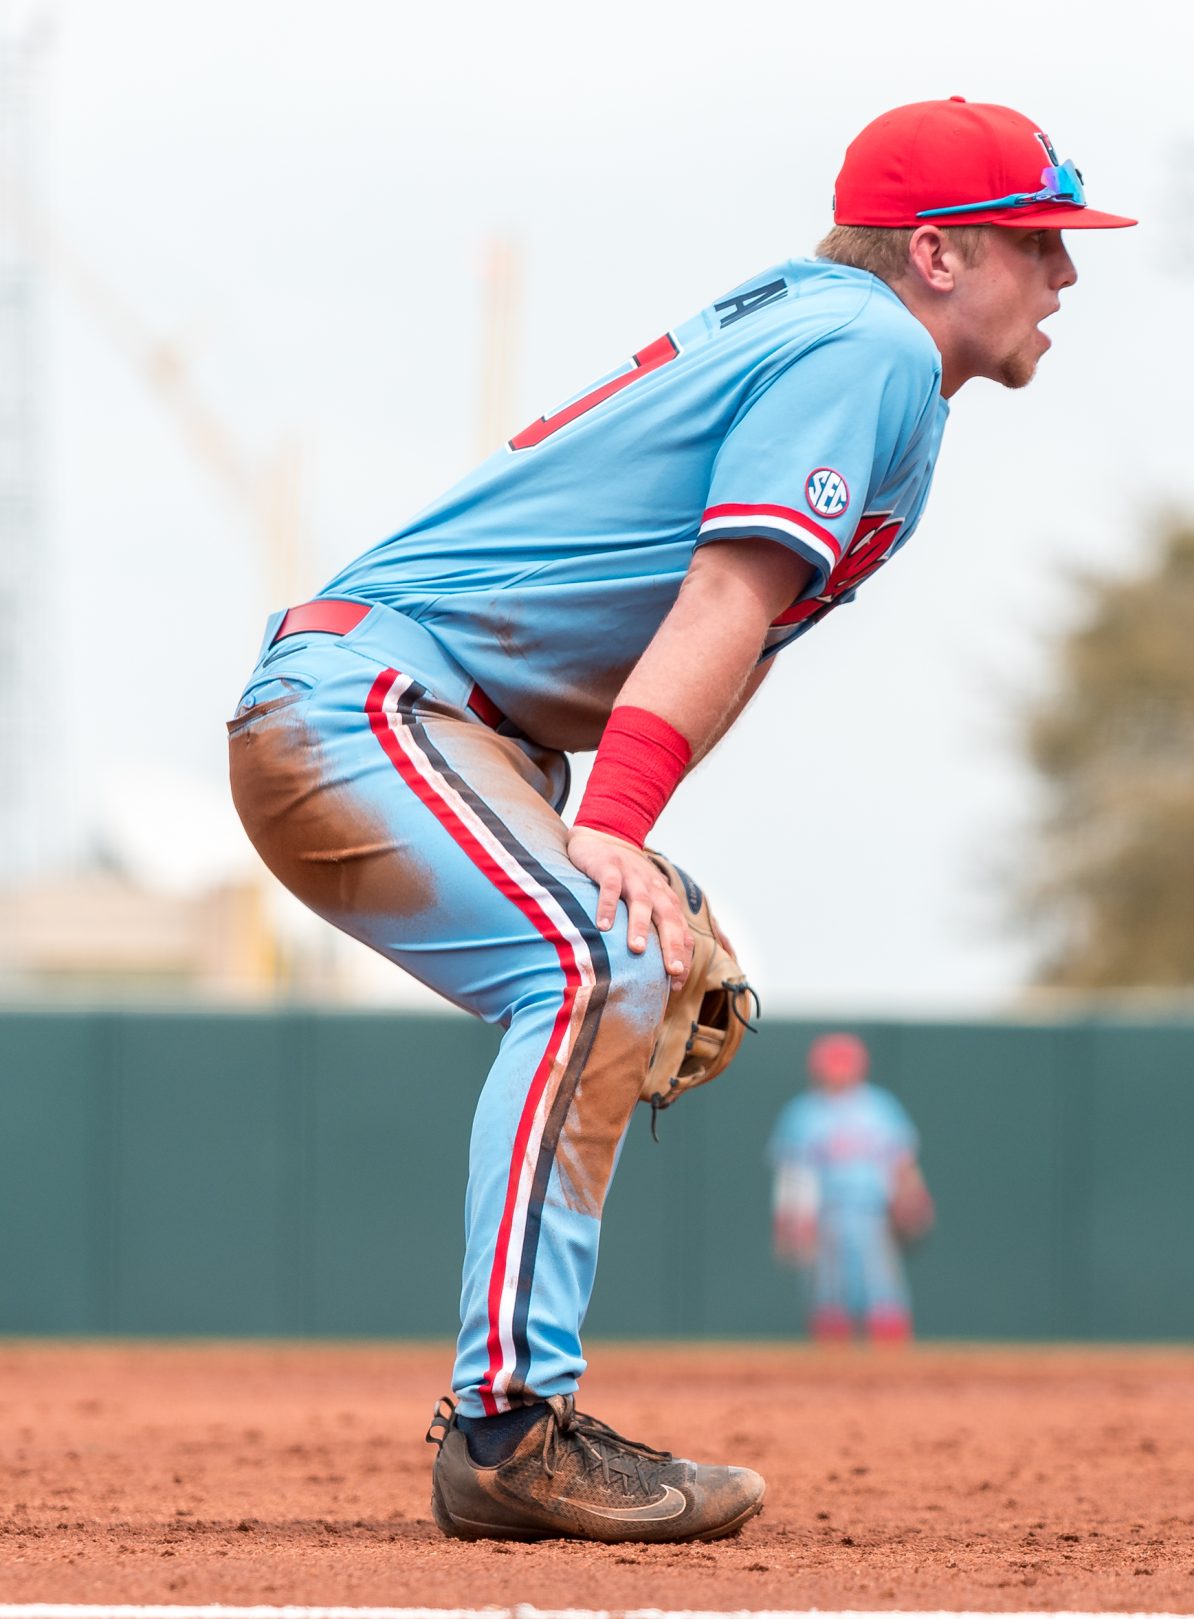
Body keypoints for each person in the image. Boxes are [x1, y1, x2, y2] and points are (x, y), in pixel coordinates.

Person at [224, 98, 1132, 1542]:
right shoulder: (873, 344)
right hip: (375, 703)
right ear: (942, 253)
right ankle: (510, 1430)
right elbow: (721, 595)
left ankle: (519, 1414)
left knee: (621, 956)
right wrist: (621, 823)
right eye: (1040, 241)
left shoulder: (845, 340)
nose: (1068, 276)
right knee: (591, 962)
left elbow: (730, 639)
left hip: (440, 722)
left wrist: (629, 836)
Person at [771, 1033, 928, 1346]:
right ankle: (832, 1372)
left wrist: (913, 1197)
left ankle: (895, 1368)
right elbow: (792, 1174)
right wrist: (788, 1219)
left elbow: (902, 1161)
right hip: (824, 1214)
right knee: (827, 1293)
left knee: (882, 1289)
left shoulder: (880, 1107)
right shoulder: (803, 1113)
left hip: (873, 1211)